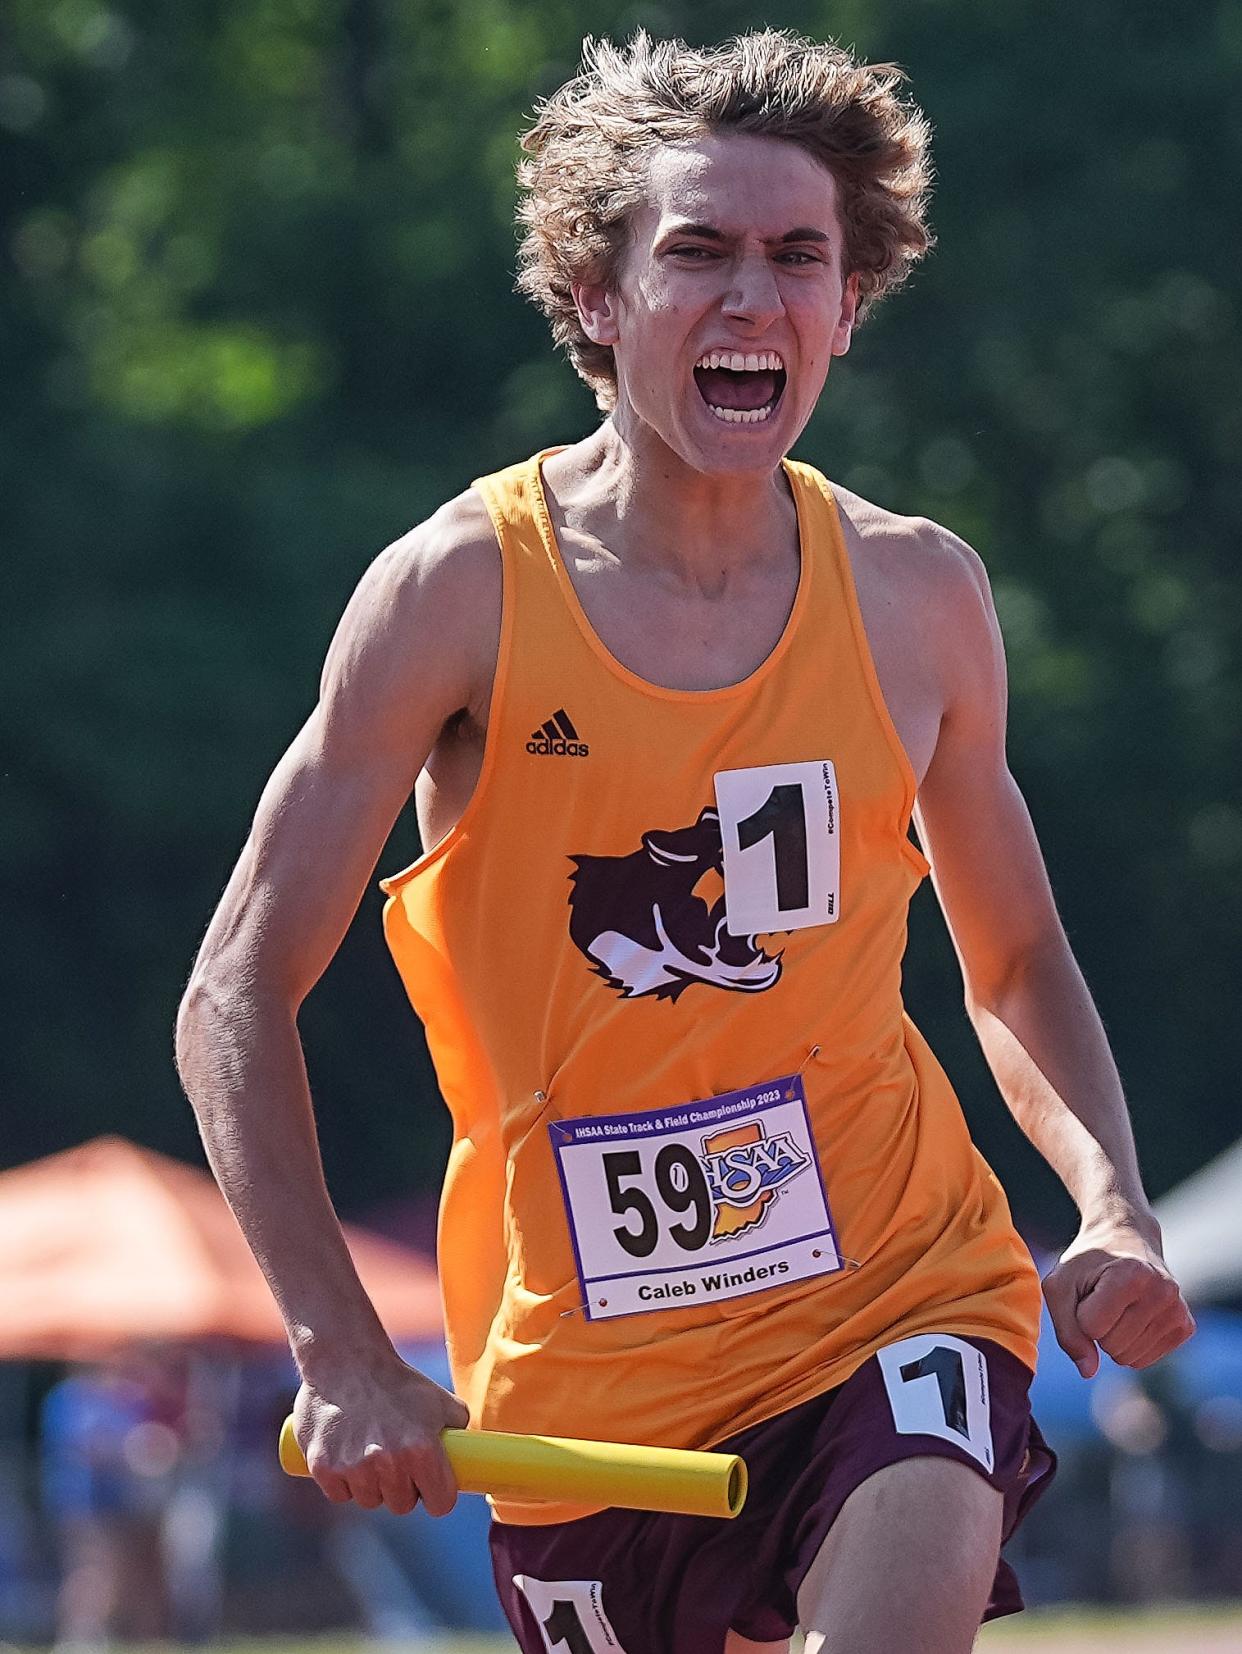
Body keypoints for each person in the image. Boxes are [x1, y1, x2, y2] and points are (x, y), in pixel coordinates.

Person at [175, 29, 1196, 1654]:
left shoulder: (918, 593)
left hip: (895, 1296)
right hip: (582, 1389)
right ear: (596, 296)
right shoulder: (454, 593)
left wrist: (1109, 1203)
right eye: (696, 253)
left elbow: (1009, 954)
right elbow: (234, 989)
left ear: (847, 305)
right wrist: (340, 1348)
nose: (751, 299)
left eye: (798, 257)